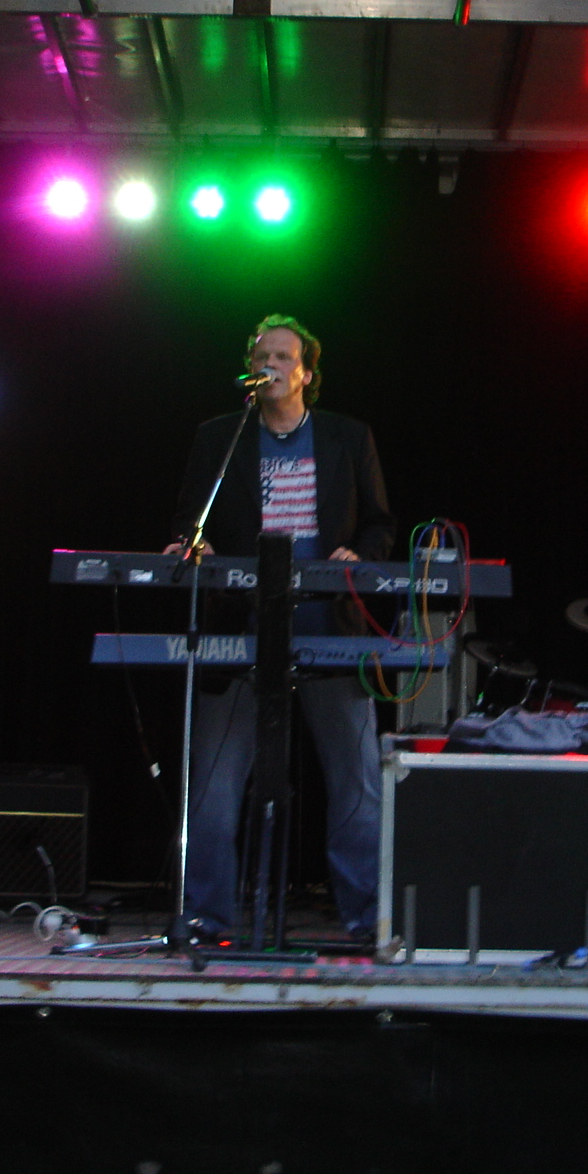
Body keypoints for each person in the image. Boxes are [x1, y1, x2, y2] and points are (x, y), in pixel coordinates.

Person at [165, 315, 393, 942]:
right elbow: (191, 520)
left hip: (331, 629)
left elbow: (379, 523)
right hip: (240, 629)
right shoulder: (221, 437)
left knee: (356, 783)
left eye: (282, 356)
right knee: (213, 786)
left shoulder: (347, 437)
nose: (269, 364)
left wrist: (358, 555)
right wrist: (196, 545)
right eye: (260, 356)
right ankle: (207, 918)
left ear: (306, 374)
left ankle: (367, 920)